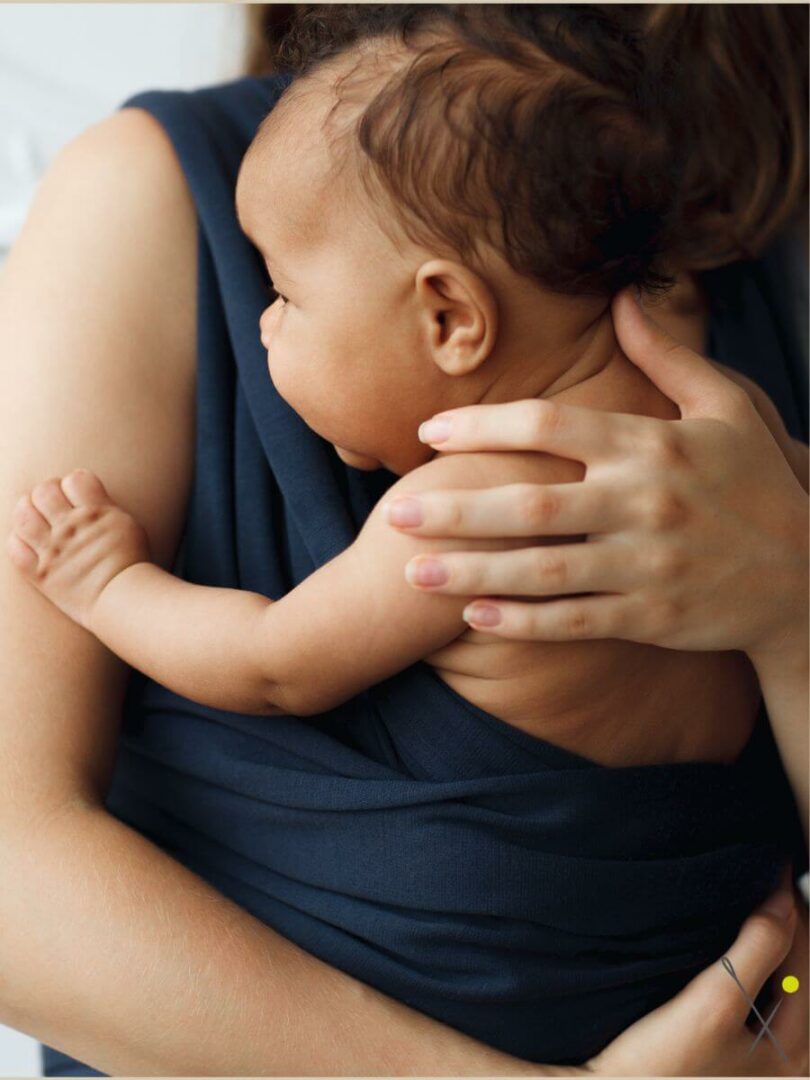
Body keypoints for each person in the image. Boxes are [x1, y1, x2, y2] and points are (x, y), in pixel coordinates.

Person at [0, 5, 805, 1078]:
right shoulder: (738, 430)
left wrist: (106, 585)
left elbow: (277, 664)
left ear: (449, 319)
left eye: (282, 296)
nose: (264, 327)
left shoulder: (460, 509)